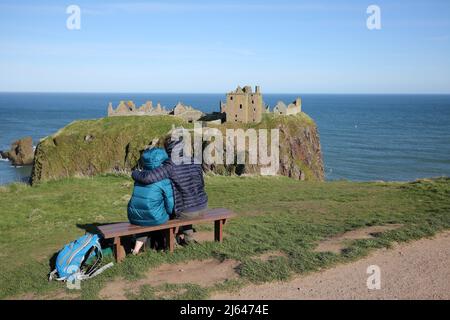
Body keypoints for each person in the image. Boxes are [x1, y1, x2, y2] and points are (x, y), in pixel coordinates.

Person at [131, 135, 208, 243]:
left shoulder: (171, 164)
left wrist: (135, 173)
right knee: (185, 202)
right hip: (203, 206)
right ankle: (189, 239)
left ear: (169, 149)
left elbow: (149, 178)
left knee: (168, 208)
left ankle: (171, 242)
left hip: (187, 212)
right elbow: (202, 184)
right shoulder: (195, 161)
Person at [127, 148, 174, 254]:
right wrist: (171, 213)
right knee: (165, 217)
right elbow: (170, 203)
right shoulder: (163, 179)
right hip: (154, 217)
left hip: (134, 215)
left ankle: (136, 250)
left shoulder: (139, 177)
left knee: (145, 219)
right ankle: (166, 245)